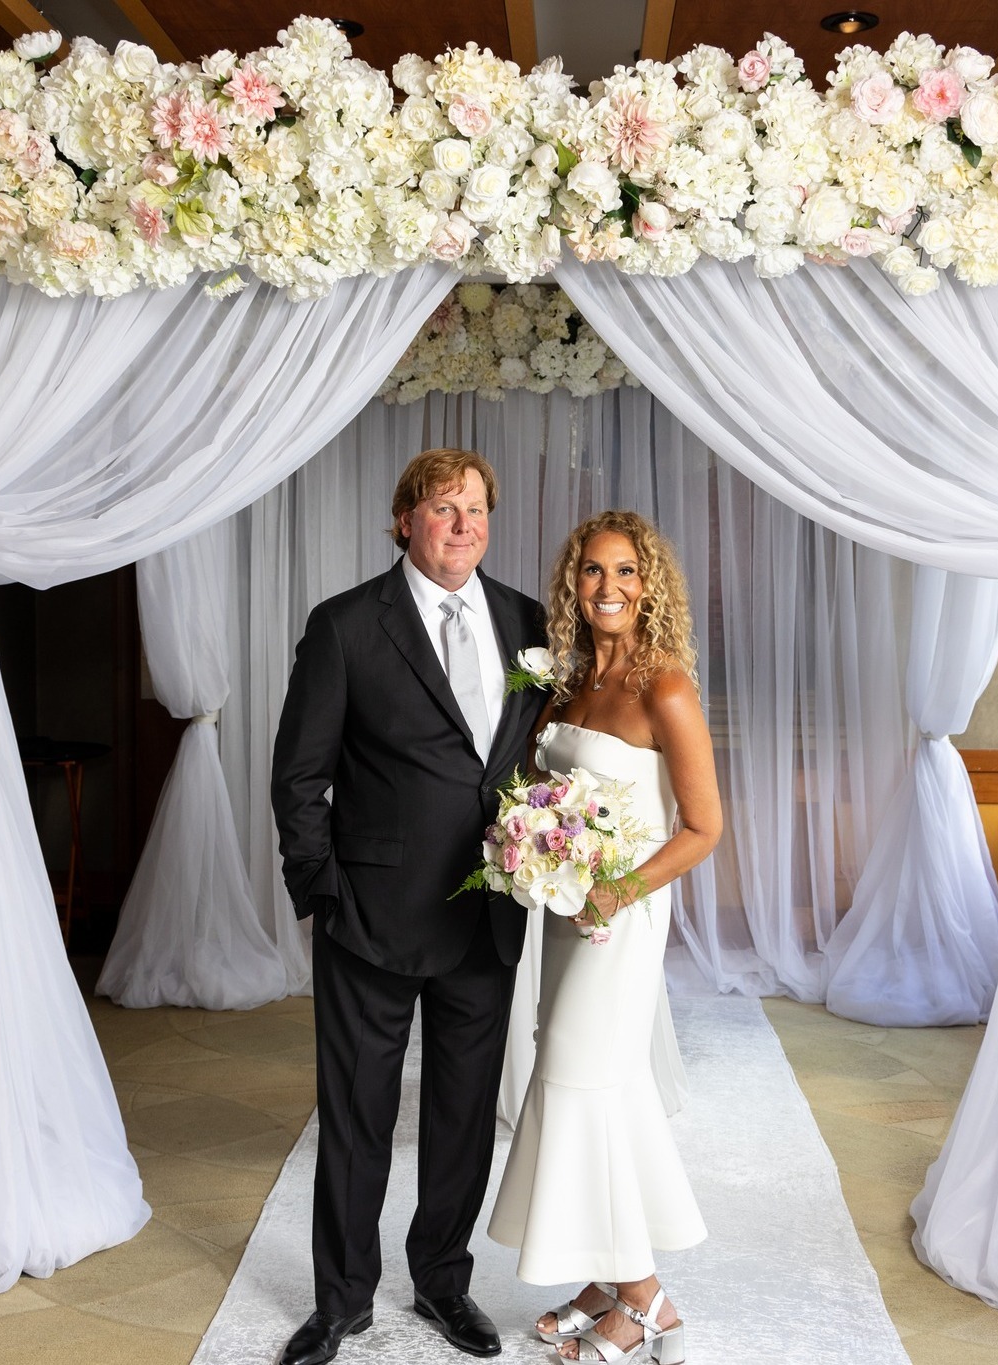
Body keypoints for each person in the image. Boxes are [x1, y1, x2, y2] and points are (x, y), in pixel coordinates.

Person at [270, 449, 546, 1365]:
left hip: (487, 911)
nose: (462, 525)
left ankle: (442, 1282)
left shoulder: (527, 623)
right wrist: (322, 891)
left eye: (476, 509)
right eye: (441, 508)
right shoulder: (347, 624)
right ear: (404, 520)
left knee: (463, 1115)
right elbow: (298, 776)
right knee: (356, 1116)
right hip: (370, 916)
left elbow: (528, 756)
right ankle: (341, 1301)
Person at [488, 510, 723, 1364]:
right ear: (573, 584)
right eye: (592, 570)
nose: (608, 586)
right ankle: (603, 1279)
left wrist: (615, 891)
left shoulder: (666, 688)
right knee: (583, 1083)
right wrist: (529, 851)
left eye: (625, 571)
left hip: (619, 921)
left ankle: (646, 1299)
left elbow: (702, 827)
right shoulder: (566, 685)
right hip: (562, 916)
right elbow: (536, 796)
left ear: (648, 583)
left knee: (584, 1081)